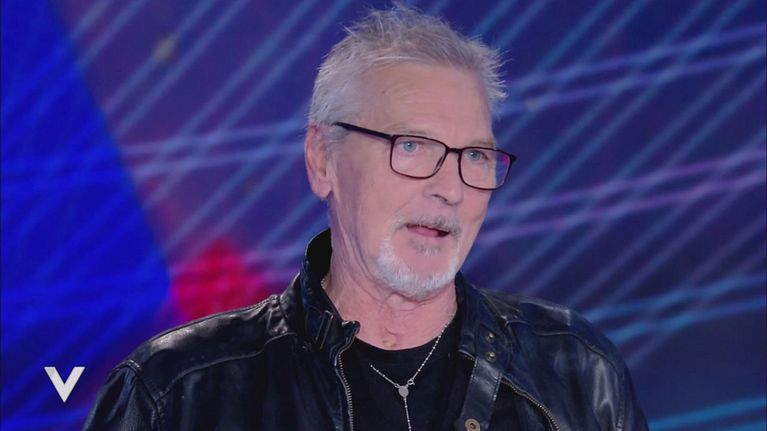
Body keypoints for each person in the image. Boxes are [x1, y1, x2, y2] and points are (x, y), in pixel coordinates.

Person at [85, 5, 648, 430]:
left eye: (475, 156)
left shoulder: (576, 371)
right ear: (322, 159)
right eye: (412, 146)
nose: (451, 188)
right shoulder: (176, 394)